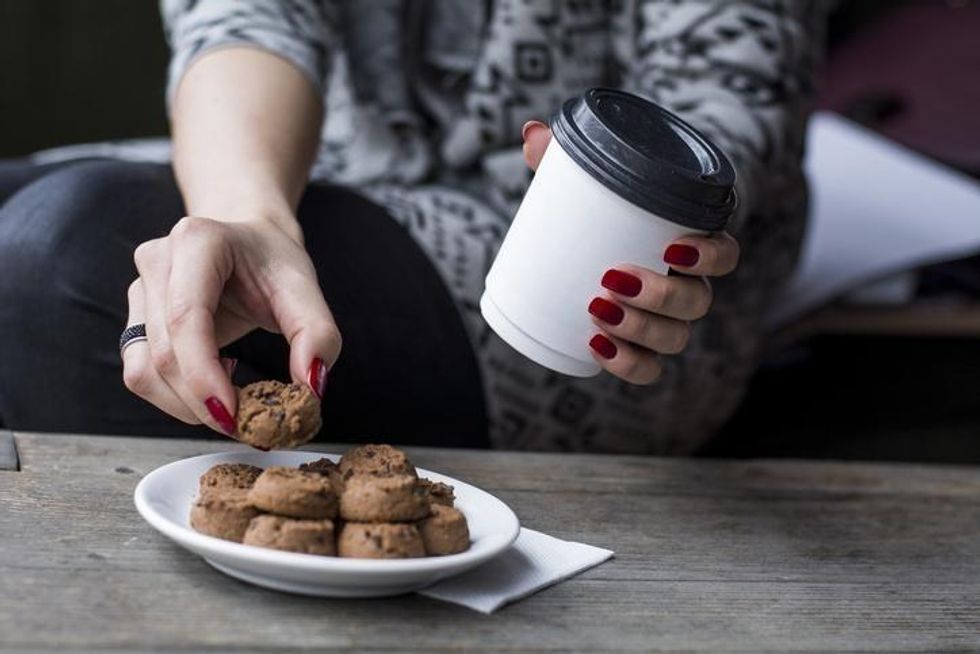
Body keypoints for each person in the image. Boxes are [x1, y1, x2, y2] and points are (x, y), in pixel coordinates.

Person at [0, 1, 825, 453]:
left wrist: (647, 203)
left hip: (570, 265)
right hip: (324, 171)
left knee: (61, 257)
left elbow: (729, 89)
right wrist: (250, 220)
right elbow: (245, 21)